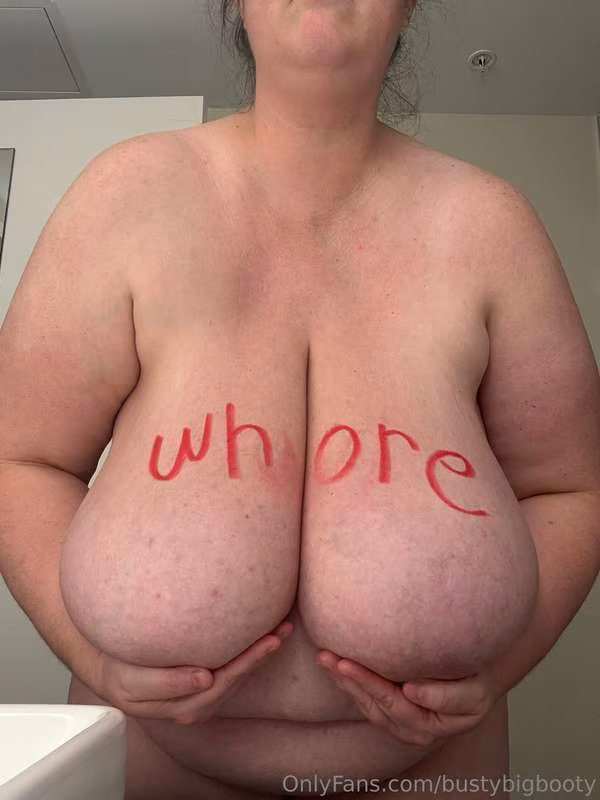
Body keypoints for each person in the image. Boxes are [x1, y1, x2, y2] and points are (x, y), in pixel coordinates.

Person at [1, 1, 599, 798]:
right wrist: (90, 657)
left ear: (408, 6)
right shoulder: (123, 198)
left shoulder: (493, 227)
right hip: (147, 770)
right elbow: (19, 460)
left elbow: (572, 488)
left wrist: (503, 670)